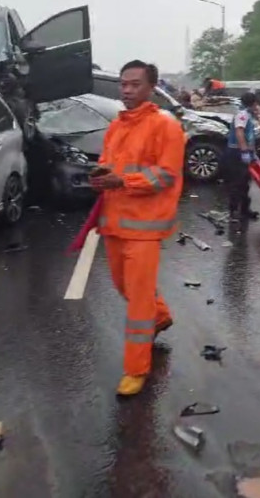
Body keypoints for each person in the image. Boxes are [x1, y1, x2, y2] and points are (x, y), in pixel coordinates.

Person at [90, 60, 185, 397]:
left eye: (134, 84)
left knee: (138, 302)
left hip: (144, 228)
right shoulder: (117, 126)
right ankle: (161, 316)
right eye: (123, 84)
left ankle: (136, 370)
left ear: (151, 88)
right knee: (124, 287)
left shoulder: (166, 126)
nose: (127, 90)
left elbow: (166, 175)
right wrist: (100, 174)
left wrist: (122, 180)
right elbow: (110, 163)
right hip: (115, 223)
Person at [224, 91, 260, 221]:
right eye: (256, 103)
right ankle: (233, 211)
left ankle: (245, 210)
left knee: (245, 183)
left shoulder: (248, 115)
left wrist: (253, 154)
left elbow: (249, 136)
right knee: (237, 182)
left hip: (243, 151)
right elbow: (239, 132)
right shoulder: (242, 115)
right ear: (254, 103)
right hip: (237, 152)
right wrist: (245, 151)